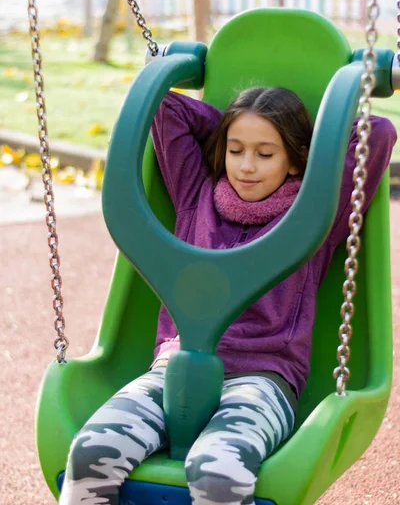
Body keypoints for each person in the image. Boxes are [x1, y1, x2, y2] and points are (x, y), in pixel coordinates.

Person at [59, 87, 396, 505]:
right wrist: (232, 119)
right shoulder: (195, 194)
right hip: (173, 372)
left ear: (295, 159)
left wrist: (346, 89)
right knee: (91, 454)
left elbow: (376, 131)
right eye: (235, 150)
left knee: (216, 473)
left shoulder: (315, 216)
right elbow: (166, 107)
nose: (247, 166)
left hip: (262, 379)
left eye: (266, 153)